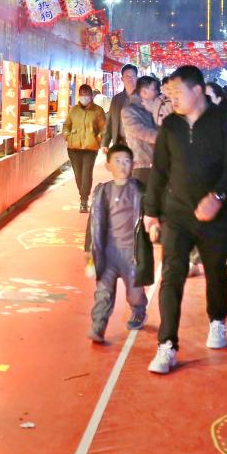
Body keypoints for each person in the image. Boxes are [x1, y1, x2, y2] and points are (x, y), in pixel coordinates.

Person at [143, 65, 227, 375]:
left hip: (215, 215)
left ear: (197, 90)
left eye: (177, 92)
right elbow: (160, 170)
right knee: (171, 276)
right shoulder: (171, 125)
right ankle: (167, 345)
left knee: (216, 271)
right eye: (169, 93)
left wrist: (218, 197)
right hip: (177, 213)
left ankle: (217, 320)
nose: (171, 98)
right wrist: (151, 211)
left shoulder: (226, 121)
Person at [86, 144, 148, 343]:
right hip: (108, 252)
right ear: (108, 165)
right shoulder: (102, 192)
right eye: (117, 161)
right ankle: (98, 326)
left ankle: (138, 310)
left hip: (132, 253)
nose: (122, 165)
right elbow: (93, 223)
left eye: (127, 161)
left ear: (133, 165)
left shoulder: (140, 190)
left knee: (135, 292)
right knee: (103, 292)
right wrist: (89, 253)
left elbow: (152, 212)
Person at [63, 84, 105, 212]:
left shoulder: (98, 111)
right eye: (82, 94)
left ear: (91, 96)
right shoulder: (73, 110)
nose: (84, 97)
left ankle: (84, 200)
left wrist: (97, 139)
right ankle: (83, 194)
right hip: (74, 148)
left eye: (87, 94)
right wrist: (68, 136)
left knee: (86, 173)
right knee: (78, 174)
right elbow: (66, 125)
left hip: (90, 149)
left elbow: (104, 128)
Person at [122, 75, 162, 188]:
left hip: (158, 163)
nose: (157, 92)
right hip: (142, 164)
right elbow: (142, 132)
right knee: (142, 196)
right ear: (144, 92)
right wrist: (166, 137)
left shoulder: (154, 107)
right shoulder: (129, 111)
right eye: (154, 89)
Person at [101, 64, 138, 153]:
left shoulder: (144, 98)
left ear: (137, 78)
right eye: (127, 76)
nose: (130, 79)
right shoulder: (116, 99)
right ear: (122, 79)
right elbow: (110, 121)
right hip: (120, 142)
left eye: (133, 76)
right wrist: (105, 142)